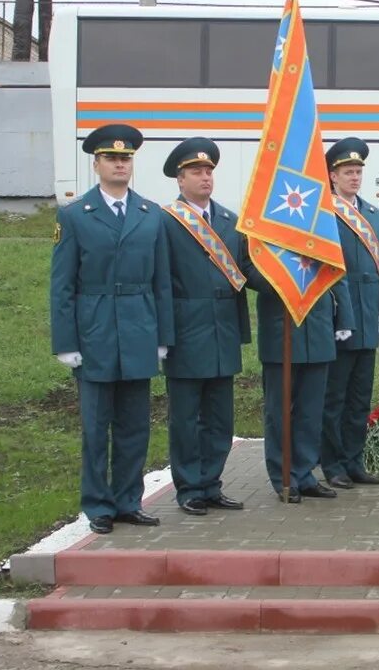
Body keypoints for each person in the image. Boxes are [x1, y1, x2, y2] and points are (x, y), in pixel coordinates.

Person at [50, 123, 174, 535]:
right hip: (96, 328)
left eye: (126, 159)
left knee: (135, 424)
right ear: (97, 163)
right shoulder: (74, 215)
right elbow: (63, 285)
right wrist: (65, 342)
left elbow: (162, 282)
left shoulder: (149, 213)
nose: (120, 164)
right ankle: (98, 504)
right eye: (112, 158)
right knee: (96, 425)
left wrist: (162, 337)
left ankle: (127, 500)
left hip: (139, 327)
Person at [159, 137, 250, 516]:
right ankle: (189, 488)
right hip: (186, 329)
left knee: (219, 417)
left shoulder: (230, 221)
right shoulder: (166, 220)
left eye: (209, 170)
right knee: (186, 418)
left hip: (223, 329)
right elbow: (160, 281)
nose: (205, 177)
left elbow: (246, 273)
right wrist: (163, 334)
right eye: (196, 171)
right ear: (180, 180)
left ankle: (212, 483)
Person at [320, 137, 379, 490]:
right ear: (333, 176)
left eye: (358, 171)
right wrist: (339, 317)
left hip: (368, 317)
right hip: (340, 314)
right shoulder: (325, 211)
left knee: (358, 399)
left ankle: (354, 461)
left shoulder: (370, 213)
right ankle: (332, 464)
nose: (354, 177)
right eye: (347, 172)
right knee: (334, 399)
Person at [256, 272, 354, 502]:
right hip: (282, 327)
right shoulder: (265, 233)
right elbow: (249, 269)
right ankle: (284, 478)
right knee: (279, 412)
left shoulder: (321, 233)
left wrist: (344, 319)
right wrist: (283, 277)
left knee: (311, 411)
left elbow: (336, 271)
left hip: (318, 327)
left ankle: (305, 473)